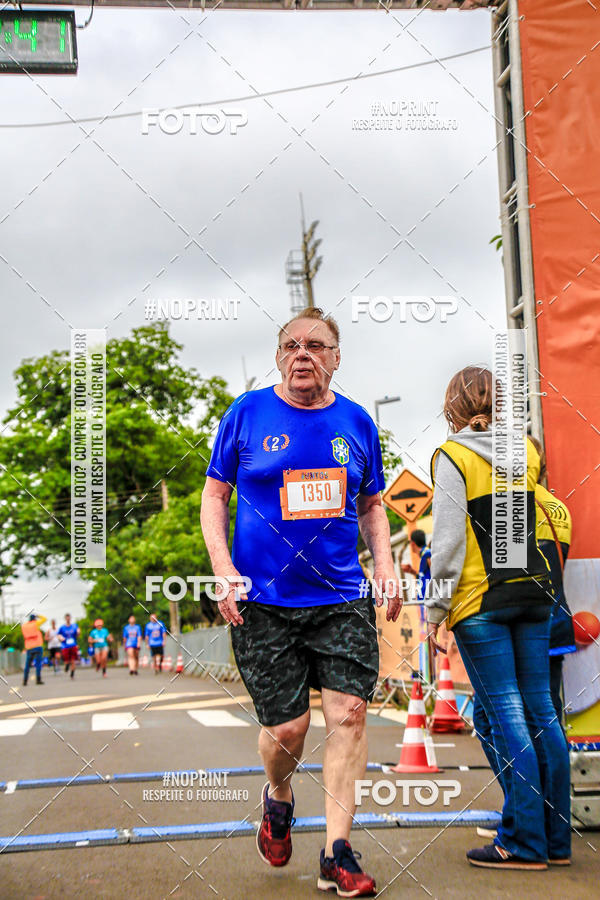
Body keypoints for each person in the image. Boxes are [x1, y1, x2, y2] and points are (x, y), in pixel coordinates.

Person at [201, 306, 400, 897]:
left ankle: (338, 852)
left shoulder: (357, 423)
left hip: (340, 597)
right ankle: (279, 796)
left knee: (350, 714)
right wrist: (224, 571)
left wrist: (385, 565)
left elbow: (372, 505)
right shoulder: (246, 413)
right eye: (291, 345)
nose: (302, 354)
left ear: (336, 358)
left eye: (315, 345)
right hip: (263, 601)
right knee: (288, 729)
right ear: (278, 357)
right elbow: (214, 497)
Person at [425, 366, 571, 870]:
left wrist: (435, 611)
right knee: (542, 712)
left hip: (481, 601)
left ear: (453, 408)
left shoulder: (452, 456)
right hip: (534, 593)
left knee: (507, 714)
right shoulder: (526, 450)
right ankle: (555, 839)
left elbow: (446, 545)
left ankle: (523, 842)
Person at [21, 613, 46, 686]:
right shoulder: (35, 624)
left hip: (29, 647)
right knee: (38, 664)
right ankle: (38, 680)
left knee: (27, 665)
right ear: (34, 619)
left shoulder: (24, 626)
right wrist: (38, 615)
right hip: (37, 646)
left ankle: (25, 681)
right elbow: (45, 619)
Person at [58, 613, 80, 679]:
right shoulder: (62, 627)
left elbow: (78, 633)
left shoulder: (74, 626)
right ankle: (67, 666)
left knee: (73, 660)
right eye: (67, 618)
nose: (68, 619)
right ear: (65, 619)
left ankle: (72, 674)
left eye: (69, 618)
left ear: (70, 618)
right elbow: (58, 635)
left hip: (73, 645)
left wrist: (78, 632)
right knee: (67, 661)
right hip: (65, 646)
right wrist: (61, 638)